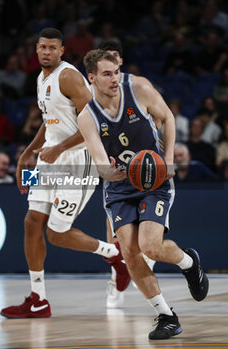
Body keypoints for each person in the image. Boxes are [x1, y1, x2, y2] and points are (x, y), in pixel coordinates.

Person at [78, 49, 209, 340]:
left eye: (116, 72)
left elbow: (168, 118)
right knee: (129, 252)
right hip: (119, 188)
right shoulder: (87, 117)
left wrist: (169, 158)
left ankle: (189, 263)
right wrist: (109, 173)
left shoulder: (138, 88)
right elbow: (99, 161)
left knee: (150, 246)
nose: (115, 78)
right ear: (92, 78)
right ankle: (166, 316)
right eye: (107, 74)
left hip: (153, 178)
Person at [0, 28, 129, 319]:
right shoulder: (40, 78)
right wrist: (25, 154)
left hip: (77, 160)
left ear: (62, 50)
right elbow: (49, 122)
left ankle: (115, 255)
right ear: (36, 49)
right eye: (42, 47)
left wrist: (57, 150)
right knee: (32, 222)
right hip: (49, 160)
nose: (46, 52)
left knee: (56, 234)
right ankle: (38, 300)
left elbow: (94, 122)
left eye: (52, 48)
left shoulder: (68, 76)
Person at [98, 40, 156, 309]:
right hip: (116, 162)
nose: (111, 65)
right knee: (113, 225)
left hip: (144, 160)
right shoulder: (97, 91)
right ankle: (116, 276)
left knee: (150, 216)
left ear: (120, 61)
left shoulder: (136, 85)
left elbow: (157, 118)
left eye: (115, 59)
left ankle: (147, 256)